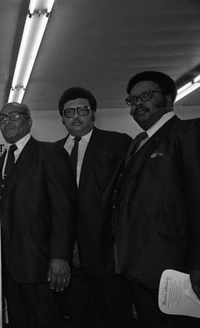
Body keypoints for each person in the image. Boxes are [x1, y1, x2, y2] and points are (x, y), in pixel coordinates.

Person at [101, 71, 200, 327]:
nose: (137, 104)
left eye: (145, 96)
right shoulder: (138, 142)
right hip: (137, 267)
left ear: (168, 99)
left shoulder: (187, 133)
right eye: (132, 100)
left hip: (173, 270)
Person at [0, 102, 76, 327]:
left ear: (29, 120)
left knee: (43, 320)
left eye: (13, 116)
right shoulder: (0, 161)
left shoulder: (49, 153)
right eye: (1, 119)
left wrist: (60, 257)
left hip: (39, 264)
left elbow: (63, 209)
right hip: (8, 265)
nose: (6, 122)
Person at [55, 87, 134, 327]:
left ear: (93, 113)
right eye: (69, 112)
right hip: (70, 252)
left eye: (82, 110)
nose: (75, 116)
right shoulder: (53, 151)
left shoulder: (118, 142)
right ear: (62, 118)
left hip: (108, 251)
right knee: (78, 316)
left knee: (113, 314)